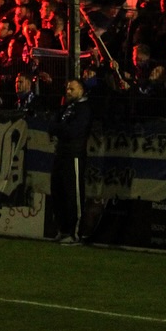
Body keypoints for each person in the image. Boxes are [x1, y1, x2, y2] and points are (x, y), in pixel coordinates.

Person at [48, 78, 93, 245]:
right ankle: (63, 229)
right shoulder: (67, 107)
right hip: (61, 153)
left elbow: (73, 131)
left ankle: (75, 233)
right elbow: (53, 124)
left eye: (72, 89)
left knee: (73, 194)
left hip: (74, 154)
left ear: (81, 90)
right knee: (58, 192)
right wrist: (59, 127)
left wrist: (59, 128)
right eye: (67, 89)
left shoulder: (84, 109)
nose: (68, 92)